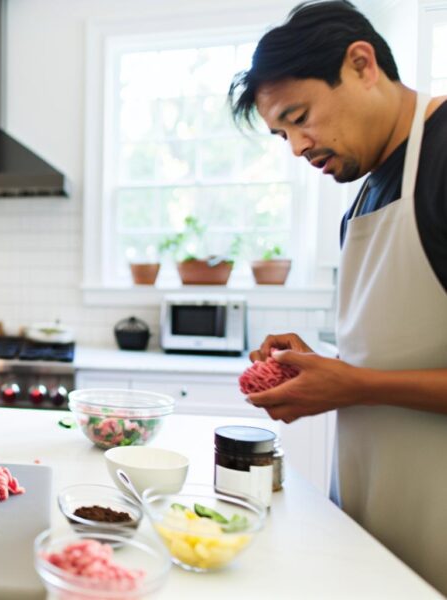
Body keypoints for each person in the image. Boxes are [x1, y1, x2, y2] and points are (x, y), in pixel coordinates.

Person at [229, 0, 447, 592]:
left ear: (361, 64)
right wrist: (328, 368)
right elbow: (404, 348)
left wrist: (355, 385)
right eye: (282, 134)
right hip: (375, 522)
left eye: (300, 117)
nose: (298, 147)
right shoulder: (362, 196)